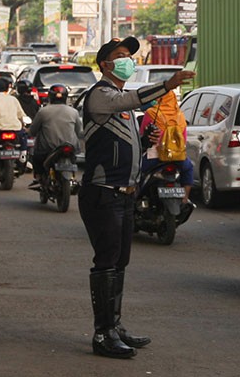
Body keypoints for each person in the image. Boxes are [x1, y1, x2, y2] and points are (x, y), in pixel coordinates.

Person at [80, 36, 195, 359]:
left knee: (120, 262)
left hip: (125, 194)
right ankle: (102, 334)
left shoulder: (119, 100)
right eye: (120, 56)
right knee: (106, 263)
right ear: (105, 64)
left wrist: (145, 140)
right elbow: (133, 100)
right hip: (103, 193)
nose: (128, 60)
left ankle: (114, 326)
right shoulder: (101, 95)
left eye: (130, 55)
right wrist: (168, 84)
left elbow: (119, 145)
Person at [138, 90, 194, 207]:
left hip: (154, 157)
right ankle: (185, 198)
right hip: (177, 157)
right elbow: (183, 138)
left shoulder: (151, 113)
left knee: (136, 172)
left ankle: (136, 198)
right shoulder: (180, 115)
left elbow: (142, 134)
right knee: (188, 168)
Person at [28, 83, 82, 183]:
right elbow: (78, 132)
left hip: (47, 149)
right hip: (71, 147)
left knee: (36, 157)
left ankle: (39, 176)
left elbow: (33, 131)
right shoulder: (73, 112)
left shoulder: (43, 111)